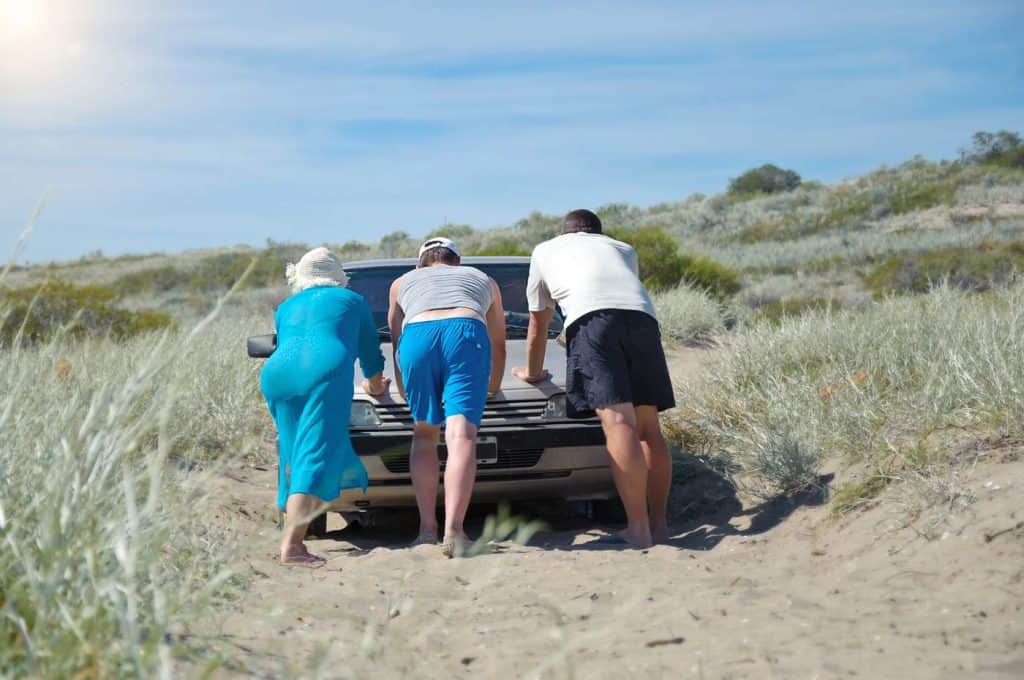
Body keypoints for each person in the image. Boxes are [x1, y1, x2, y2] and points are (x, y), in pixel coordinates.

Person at [513, 209, 675, 548]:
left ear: (565, 231)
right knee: (649, 428)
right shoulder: (623, 248)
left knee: (619, 423)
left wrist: (532, 372)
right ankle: (659, 526)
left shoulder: (545, 250)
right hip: (643, 321)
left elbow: (539, 325)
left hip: (592, 322)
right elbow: (624, 294)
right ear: (599, 233)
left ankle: (638, 530)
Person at [260, 247, 389, 567]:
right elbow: (370, 352)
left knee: (293, 452)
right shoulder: (353, 301)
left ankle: (291, 530)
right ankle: (292, 547)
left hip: (276, 374)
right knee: (313, 454)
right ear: (338, 277)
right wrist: (374, 385)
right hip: (323, 371)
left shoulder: (286, 306)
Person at [387, 237, 507, 557]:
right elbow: (498, 342)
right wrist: (493, 385)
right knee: (461, 435)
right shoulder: (483, 279)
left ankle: (427, 529)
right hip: (465, 332)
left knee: (424, 433)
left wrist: (402, 388)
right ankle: (455, 531)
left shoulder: (401, 283)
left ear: (420, 263)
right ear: (457, 260)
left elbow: (398, 342)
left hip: (418, 337)